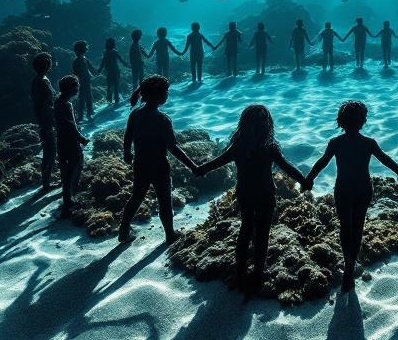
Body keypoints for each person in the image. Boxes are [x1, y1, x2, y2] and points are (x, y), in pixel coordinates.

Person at [196, 105, 306, 292]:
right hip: (265, 194)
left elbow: (218, 162)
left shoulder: (238, 146)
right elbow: (286, 167)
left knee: (246, 229)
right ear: (267, 124)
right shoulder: (270, 147)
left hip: (244, 193)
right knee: (262, 234)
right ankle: (258, 275)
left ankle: (240, 273)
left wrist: (200, 169)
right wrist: (305, 180)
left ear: (243, 123)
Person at [303, 101, 398, 291]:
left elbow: (322, 162)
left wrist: (308, 180)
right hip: (363, 189)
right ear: (362, 121)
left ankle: (347, 262)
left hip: (343, 189)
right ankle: (350, 267)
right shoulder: (368, 143)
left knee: (345, 227)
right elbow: (385, 159)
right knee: (358, 227)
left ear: (341, 121)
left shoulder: (336, 143)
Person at [118, 75, 199, 245]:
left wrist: (127, 152)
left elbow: (128, 135)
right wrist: (192, 165)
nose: (168, 94)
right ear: (158, 95)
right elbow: (173, 147)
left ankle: (123, 231)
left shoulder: (135, 114)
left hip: (140, 164)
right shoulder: (163, 120)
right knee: (164, 202)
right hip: (159, 166)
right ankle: (170, 235)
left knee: (136, 197)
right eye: (166, 91)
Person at [54, 75, 88, 218]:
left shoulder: (57, 101)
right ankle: (70, 199)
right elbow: (71, 125)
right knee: (77, 164)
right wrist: (81, 138)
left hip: (61, 141)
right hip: (70, 141)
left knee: (65, 169)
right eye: (76, 86)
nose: (78, 88)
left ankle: (67, 198)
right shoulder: (67, 105)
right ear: (70, 89)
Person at [30, 52, 58, 194]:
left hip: (46, 121)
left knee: (50, 151)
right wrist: (49, 123)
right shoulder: (42, 81)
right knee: (50, 152)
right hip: (47, 122)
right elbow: (45, 104)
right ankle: (46, 183)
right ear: (47, 65)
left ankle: (46, 180)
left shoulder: (39, 80)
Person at [71, 40, 97, 123]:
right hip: (82, 82)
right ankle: (84, 115)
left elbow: (90, 68)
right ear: (83, 49)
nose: (87, 48)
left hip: (85, 81)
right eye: (86, 47)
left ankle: (85, 114)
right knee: (84, 98)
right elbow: (75, 73)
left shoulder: (82, 59)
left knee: (86, 98)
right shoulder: (78, 60)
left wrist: (95, 72)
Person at [97, 37, 129, 104]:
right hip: (116, 71)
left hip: (109, 72)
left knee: (109, 86)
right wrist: (127, 65)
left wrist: (99, 70)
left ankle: (109, 100)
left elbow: (103, 63)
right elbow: (121, 60)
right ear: (113, 44)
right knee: (116, 85)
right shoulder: (115, 52)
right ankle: (116, 100)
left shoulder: (105, 53)